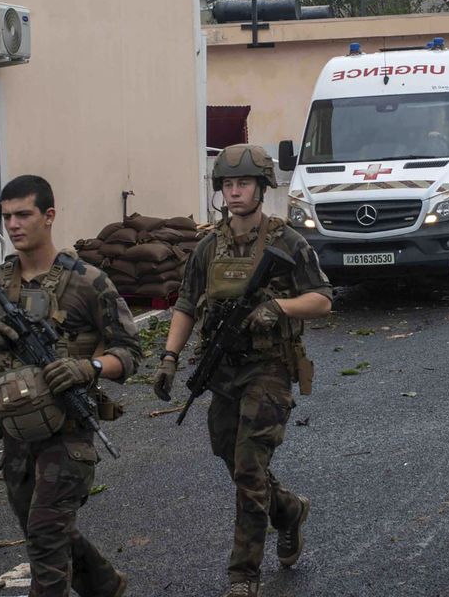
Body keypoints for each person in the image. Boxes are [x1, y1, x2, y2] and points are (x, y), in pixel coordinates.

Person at [151, 144, 332, 597]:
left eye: (243, 183)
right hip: (223, 372)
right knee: (230, 458)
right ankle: (288, 511)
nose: (235, 192)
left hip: (269, 369)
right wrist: (169, 359)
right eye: (228, 185)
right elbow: (187, 304)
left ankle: (243, 575)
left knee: (250, 469)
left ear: (262, 187)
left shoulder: (287, 241)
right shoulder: (209, 245)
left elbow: (323, 300)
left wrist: (277, 306)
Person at [0, 175, 141, 597]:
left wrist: (88, 368)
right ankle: (105, 585)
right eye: (7, 217)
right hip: (16, 438)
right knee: (47, 530)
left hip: (68, 433)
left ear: (49, 216)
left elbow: (130, 352)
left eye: (24, 214)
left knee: (44, 535)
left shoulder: (87, 282)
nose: (14, 225)